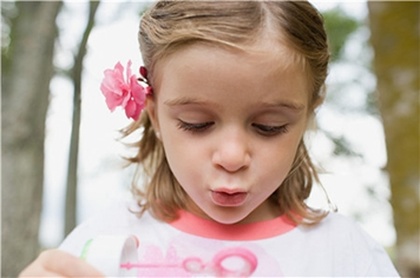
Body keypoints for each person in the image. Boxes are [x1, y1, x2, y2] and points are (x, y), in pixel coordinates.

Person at [20, 1, 399, 277]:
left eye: (268, 126)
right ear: (154, 115)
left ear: (308, 115)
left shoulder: (346, 255)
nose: (232, 157)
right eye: (196, 123)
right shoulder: (106, 245)